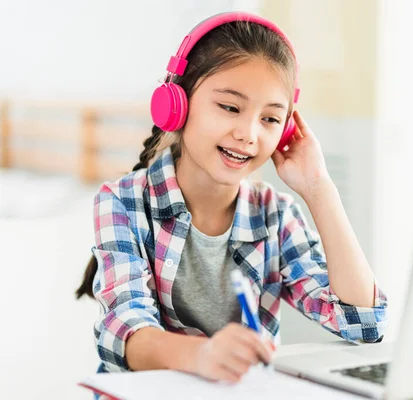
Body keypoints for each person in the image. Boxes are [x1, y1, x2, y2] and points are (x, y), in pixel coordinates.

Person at [75, 11, 387, 385]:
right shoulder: (122, 202)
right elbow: (123, 334)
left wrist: (319, 188)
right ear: (178, 104)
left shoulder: (276, 215)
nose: (248, 134)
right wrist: (203, 355)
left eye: (270, 119)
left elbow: (364, 325)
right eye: (230, 107)